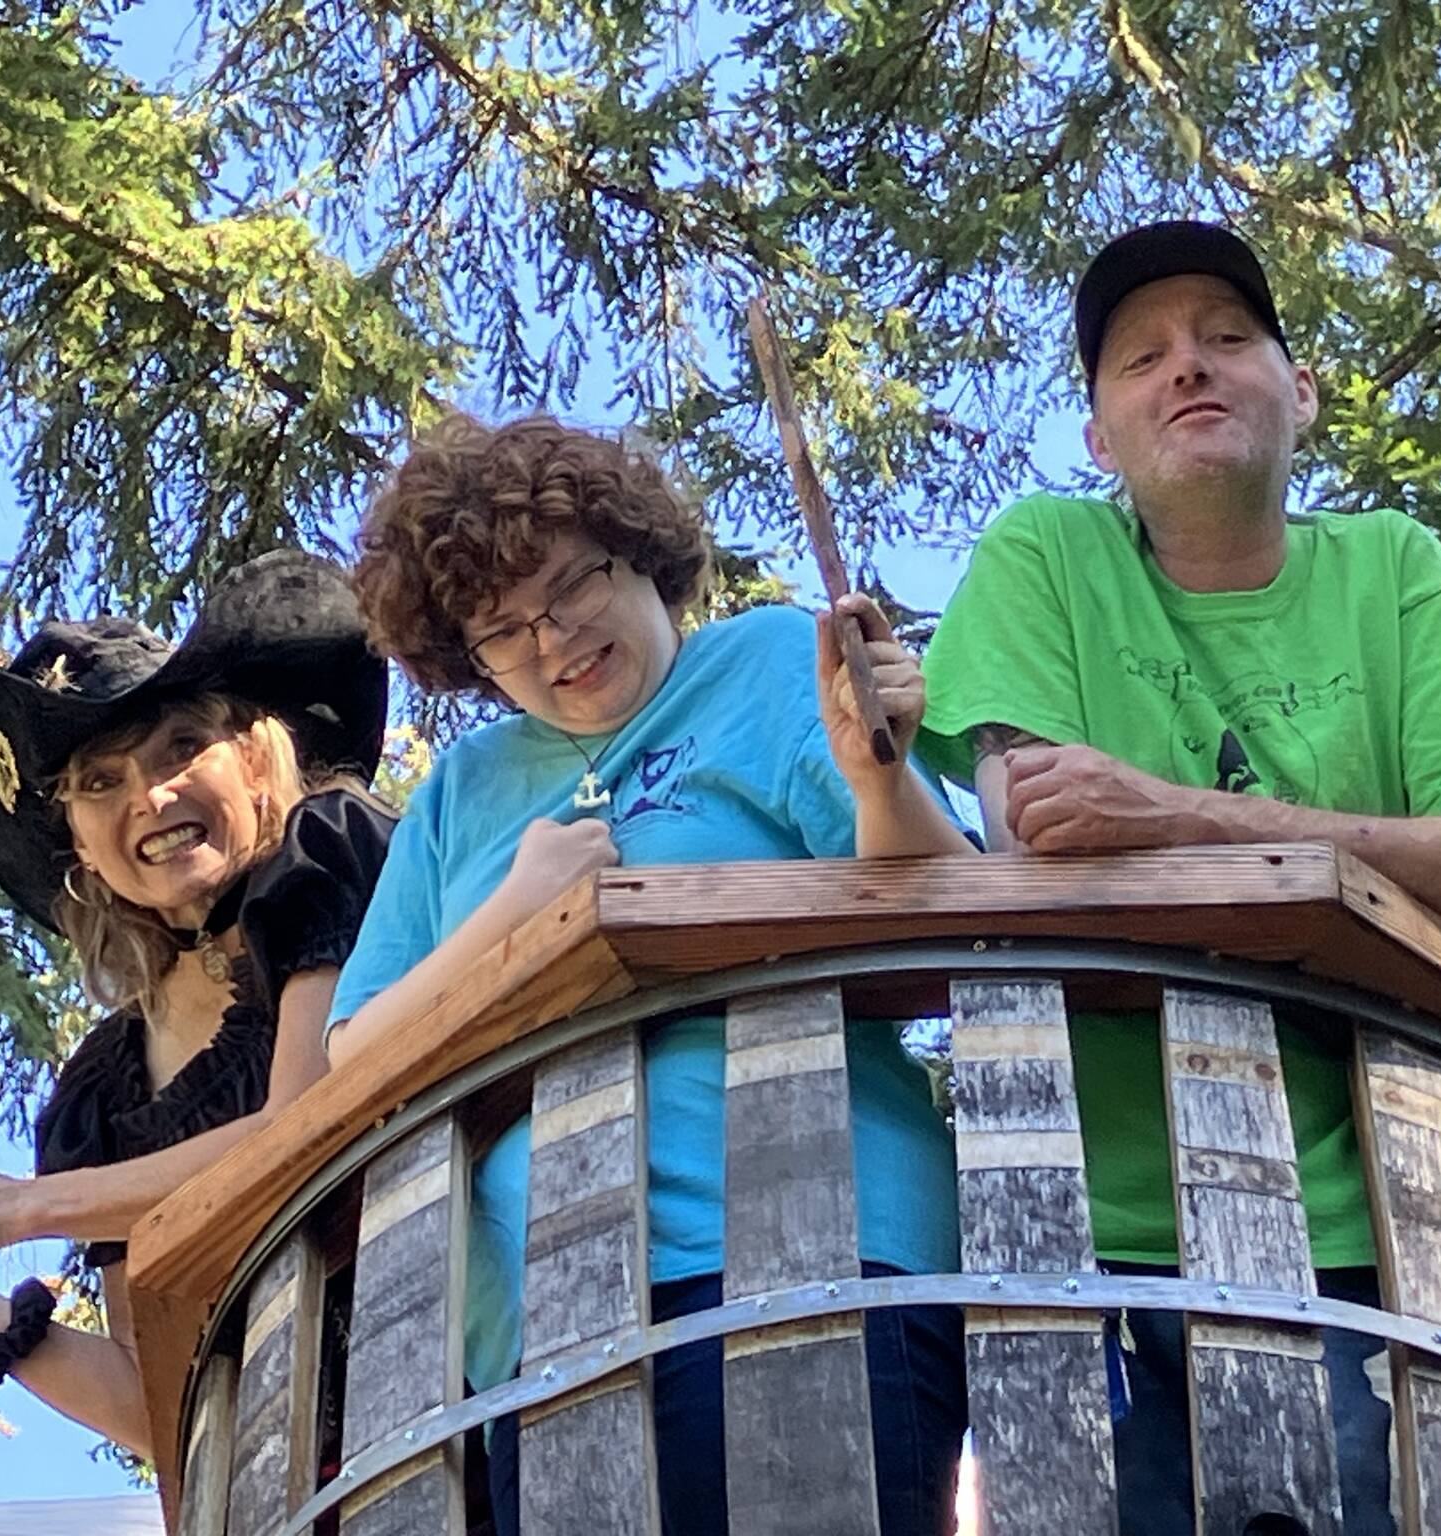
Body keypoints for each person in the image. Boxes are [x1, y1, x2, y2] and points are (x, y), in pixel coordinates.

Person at [917, 221, 1441, 1532]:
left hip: (1365, 1223)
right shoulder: (1048, 553)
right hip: (1075, 1218)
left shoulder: (1391, 568)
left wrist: (1169, 811)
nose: (1191, 368)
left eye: (1230, 340)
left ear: (1302, 393)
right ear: (1100, 436)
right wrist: (1332, 852)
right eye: (1144, 358)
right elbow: (1044, 826)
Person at [327, 413, 976, 1536]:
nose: (551, 641)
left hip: (822, 1238)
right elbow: (353, 1053)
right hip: (550, 1311)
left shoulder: (767, 662)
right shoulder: (462, 793)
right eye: (500, 631)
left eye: (572, 585)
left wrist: (877, 782)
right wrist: (517, 917)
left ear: (640, 553)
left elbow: (953, 905)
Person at [0, 550, 393, 1461]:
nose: (151, 794)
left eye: (179, 748)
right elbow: (152, 1402)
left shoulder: (325, 856)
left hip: (450, 1393)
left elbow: (304, 1136)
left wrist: (23, 1206)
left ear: (252, 760)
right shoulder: (100, 1092)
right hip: (282, 1494)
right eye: (100, 782)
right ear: (76, 844)